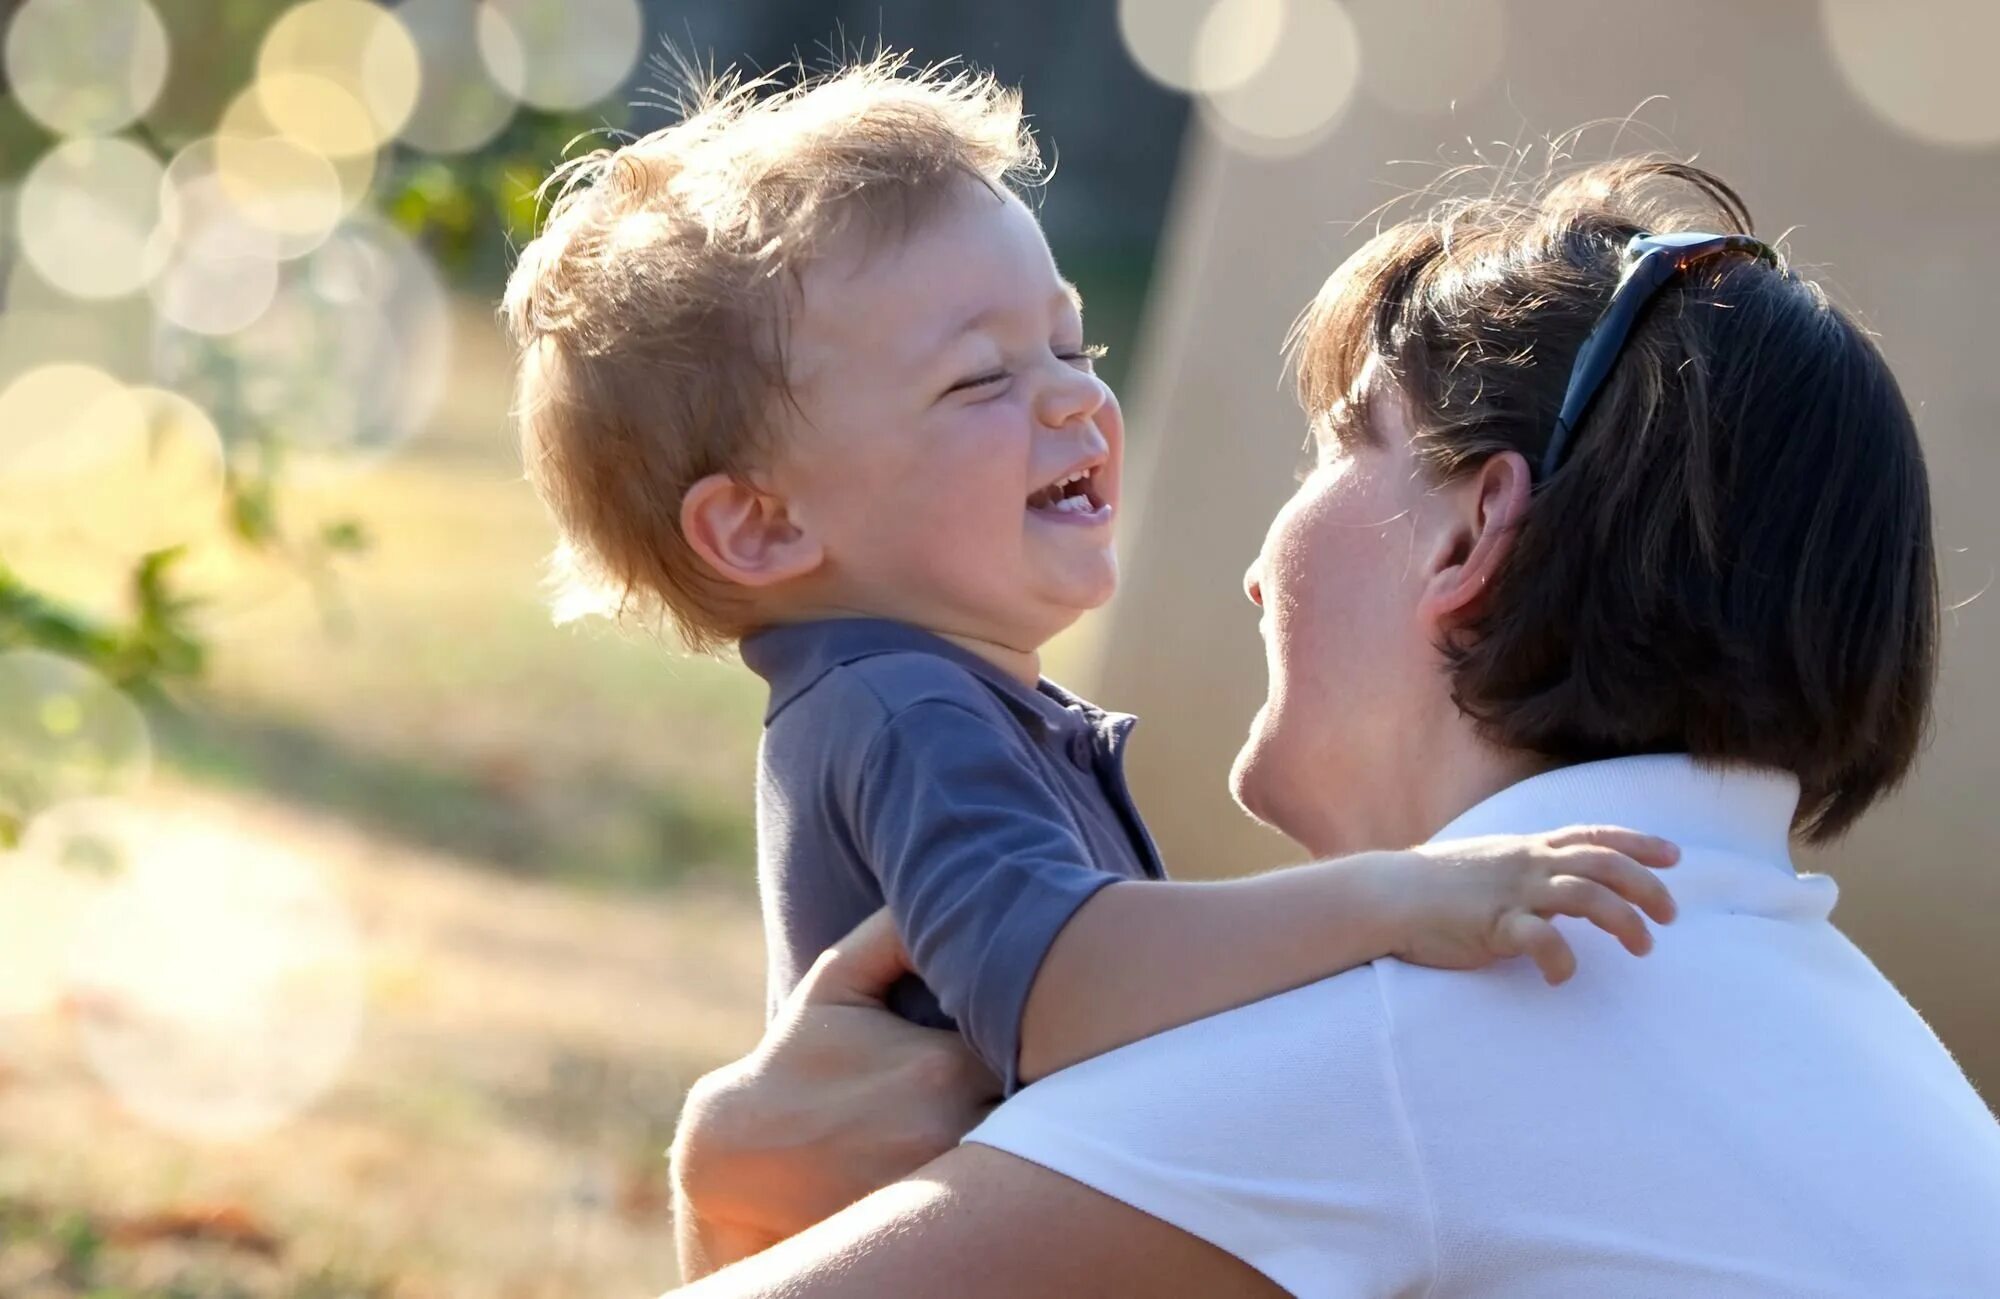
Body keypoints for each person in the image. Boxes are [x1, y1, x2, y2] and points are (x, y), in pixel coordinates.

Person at [663, 157, 2000, 1296]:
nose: (1261, 566)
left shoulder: (1440, 1017)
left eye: (1343, 447)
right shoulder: (1862, 1044)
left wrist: (731, 1190)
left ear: (1473, 531)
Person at [501, 50, 1678, 1117]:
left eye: (1071, 349)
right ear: (760, 525)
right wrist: (1400, 900)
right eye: (976, 381)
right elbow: (1062, 987)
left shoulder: (940, 705)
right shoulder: (903, 712)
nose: (1073, 400)